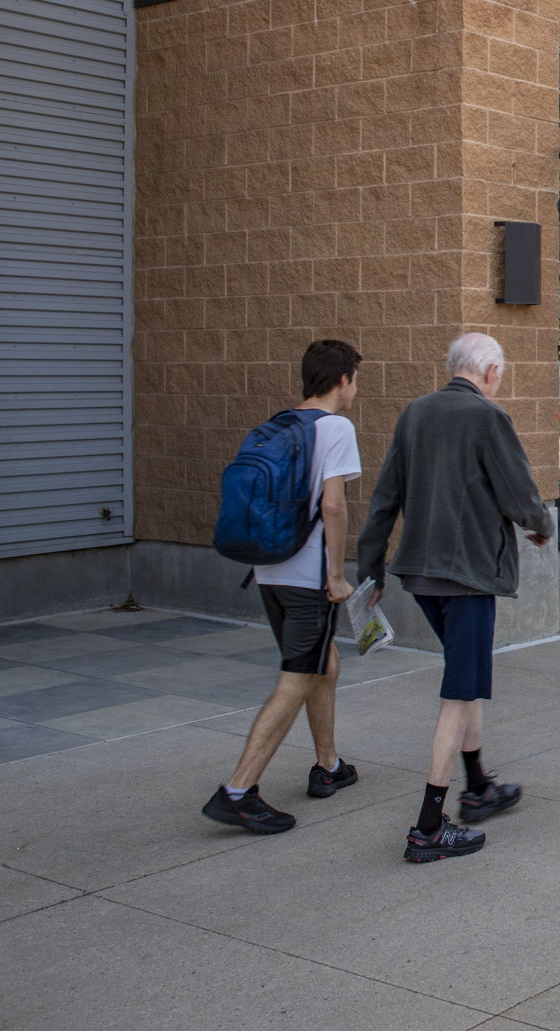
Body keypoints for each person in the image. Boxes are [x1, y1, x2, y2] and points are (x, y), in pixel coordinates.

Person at [358, 332, 553, 863]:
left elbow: (384, 498)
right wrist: (540, 525)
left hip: (420, 576)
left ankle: (478, 786)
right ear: (489, 370)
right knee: (458, 691)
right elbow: (519, 493)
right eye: (501, 375)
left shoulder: (415, 413)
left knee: (465, 680)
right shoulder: (488, 417)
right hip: (467, 576)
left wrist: (371, 568)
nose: (498, 385)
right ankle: (428, 827)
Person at [202, 339, 364, 834]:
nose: (356, 389)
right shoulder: (335, 427)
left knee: (323, 663)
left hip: (269, 571)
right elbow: (333, 507)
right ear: (342, 381)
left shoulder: (278, 424)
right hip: (308, 578)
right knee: (296, 679)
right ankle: (238, 790)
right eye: (355, 380)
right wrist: (336, 577)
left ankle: (329, 766)